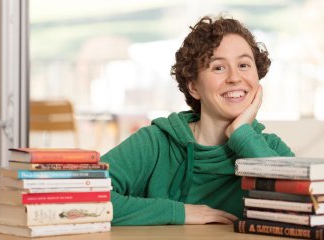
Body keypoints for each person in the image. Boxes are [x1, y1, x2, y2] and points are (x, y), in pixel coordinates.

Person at [101, 14, 294, 226]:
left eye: (244, 65)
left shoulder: (270, 149)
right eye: (218, 67)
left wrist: (242, 134)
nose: (235, 78)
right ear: (194, 87)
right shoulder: (155, 143)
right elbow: (83, 198)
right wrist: (179, 213)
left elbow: (305, 209)